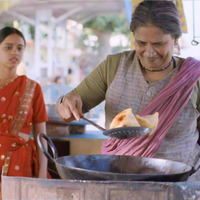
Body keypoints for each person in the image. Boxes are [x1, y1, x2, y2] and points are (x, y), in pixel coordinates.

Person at [55, 0, 200, 180]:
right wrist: (65, 103)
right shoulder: (113, 66)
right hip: (121, 182)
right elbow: (69, 111)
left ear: (176, 40)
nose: (149, 52)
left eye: (159, 43)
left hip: (180, 185)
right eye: (141, 42)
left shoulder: (193, 77)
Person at [0, 27, 48, 181]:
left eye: (20, 48)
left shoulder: (32, 88)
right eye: (8, 47)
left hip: (20, 165)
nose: (15, 52)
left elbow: (42, 136)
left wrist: (42, 174)